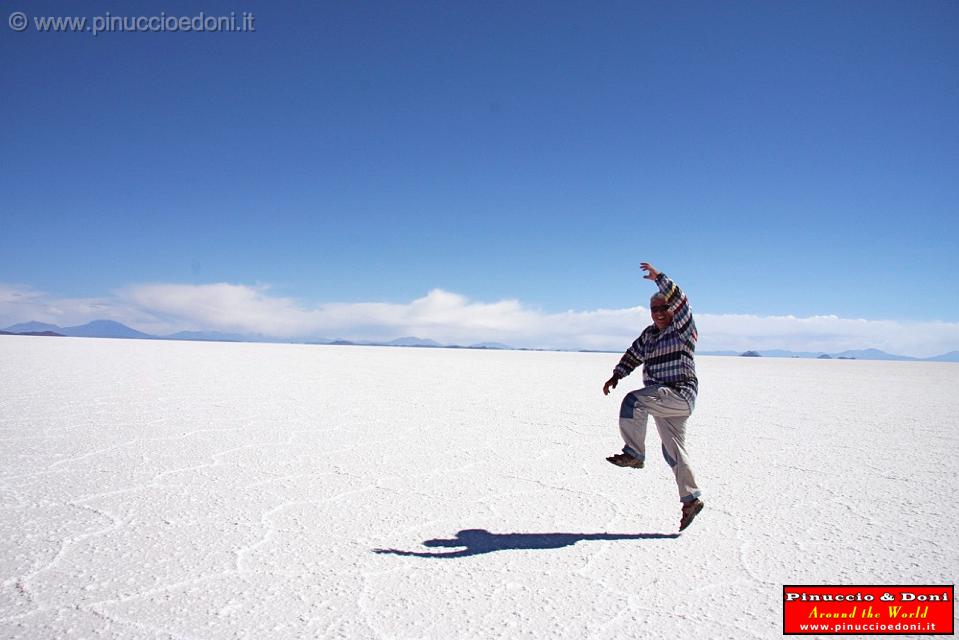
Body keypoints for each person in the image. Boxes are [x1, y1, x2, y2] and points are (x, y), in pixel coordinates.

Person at [602, 262, 704, 532]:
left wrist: (660, 279)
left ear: (671, 311)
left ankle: (634, 453)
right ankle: (691, 499)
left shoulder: (681, 330)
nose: (658, 314)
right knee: (674, 452)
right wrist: (617, 375)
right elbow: (634, 354)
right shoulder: (649, 335)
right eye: (654, 309)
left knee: (633, 401)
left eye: (663, 308)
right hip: (662, 402)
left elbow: (682, 302)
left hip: (678, 394)